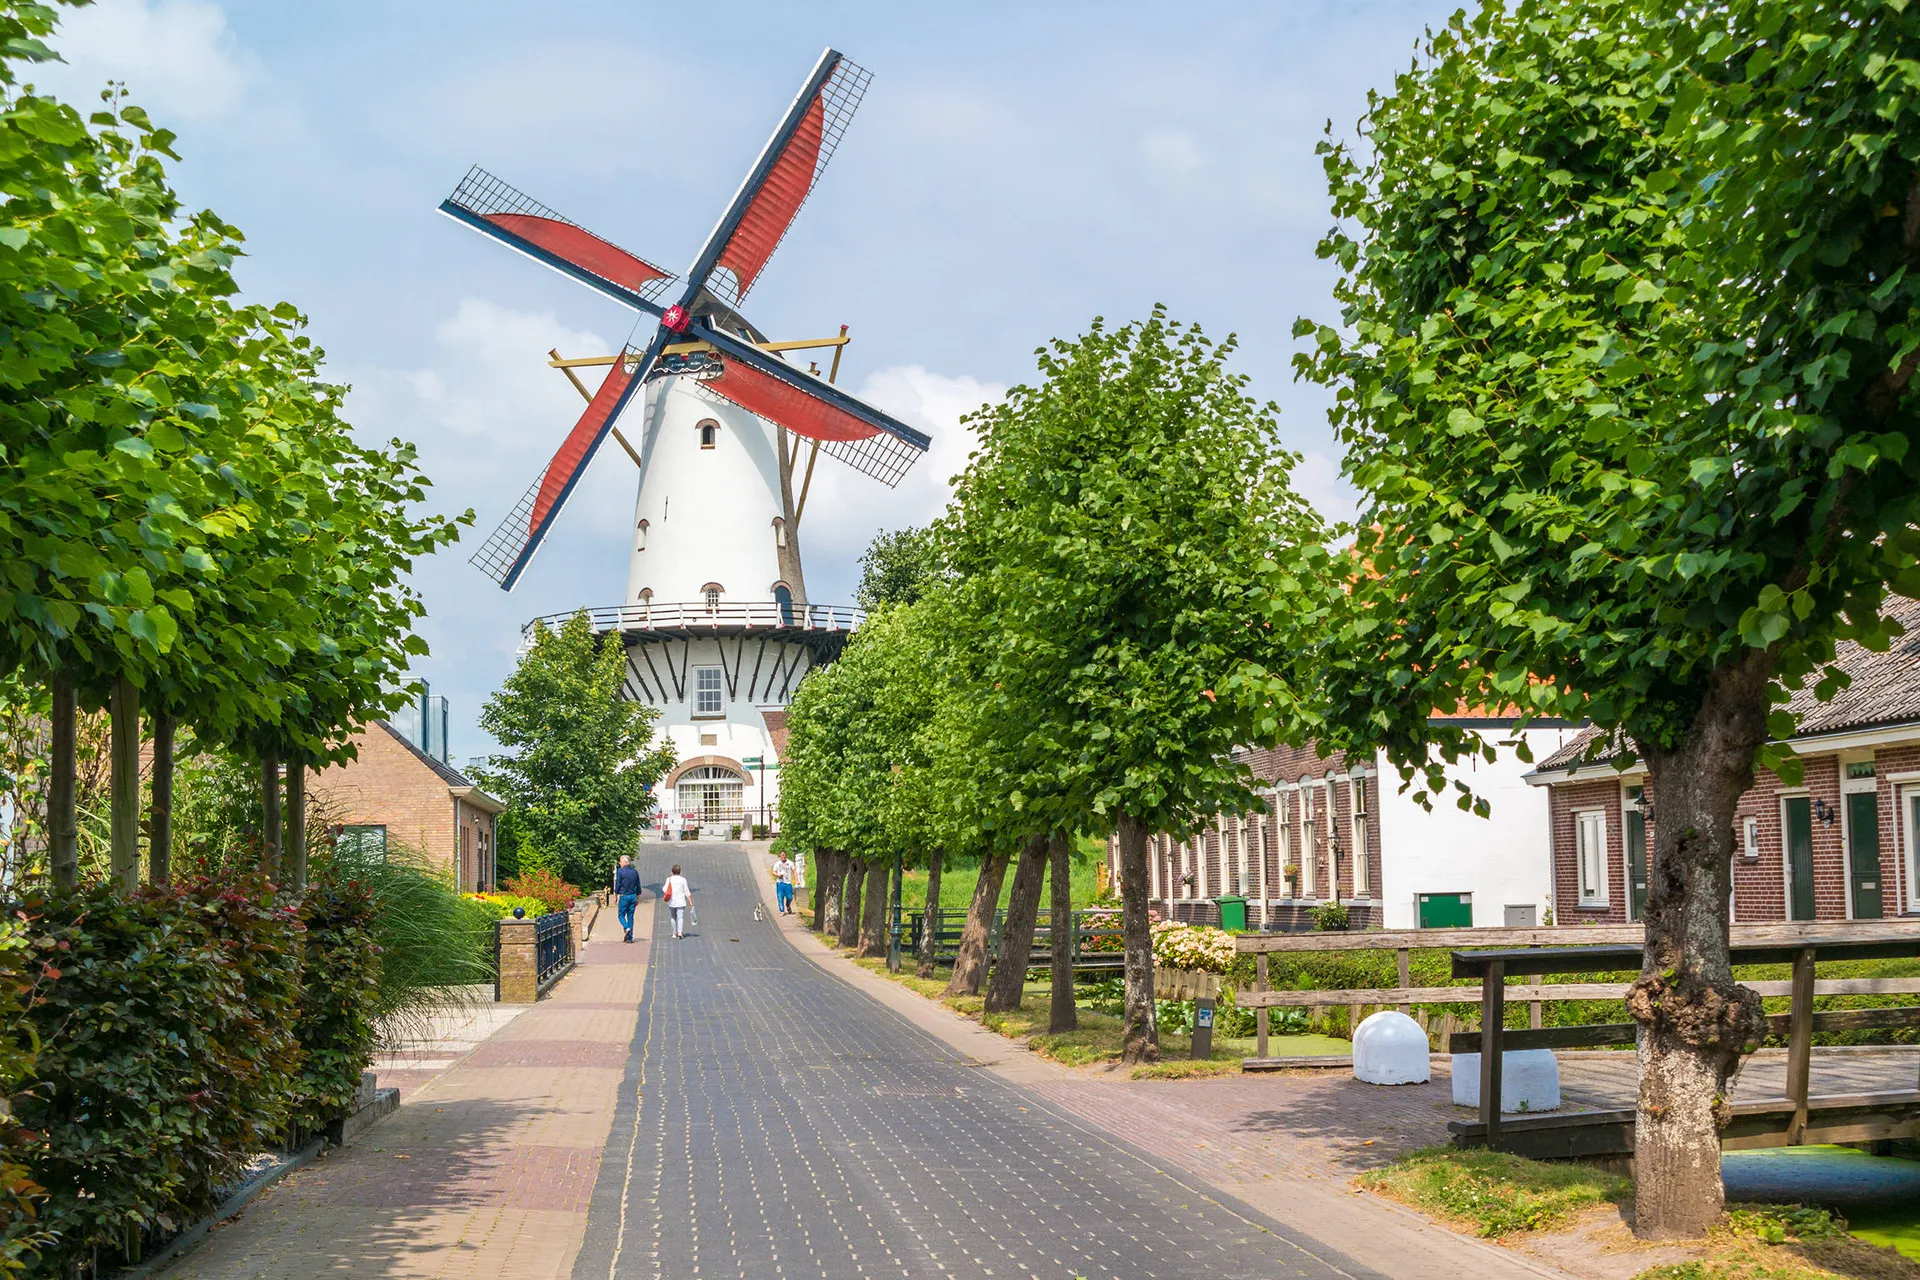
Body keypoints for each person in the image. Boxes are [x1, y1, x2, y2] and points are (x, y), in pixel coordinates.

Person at [613, 855, 642, 943]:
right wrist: (637, 898)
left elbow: (618, 884)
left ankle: (626, 927)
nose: (619, 863)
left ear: (626, 862)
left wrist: (616, 895)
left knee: (621, 915)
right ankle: (629, 938)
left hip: (624, 896)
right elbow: (638, 886)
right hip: (633, 896)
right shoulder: (635, 872)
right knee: (630, 916)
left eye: (620, 861)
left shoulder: (621, 871)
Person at [662, 864, 692, 939]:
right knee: (680, 917)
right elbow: (686, 891)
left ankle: (674, 933)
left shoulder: (669, 879)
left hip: (672, 902)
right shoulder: (683, 880)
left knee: (673, 917)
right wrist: (690, 901)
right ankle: (680, 933)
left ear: (672, 872)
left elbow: (664, 889)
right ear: (680, 872)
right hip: (681, 901)